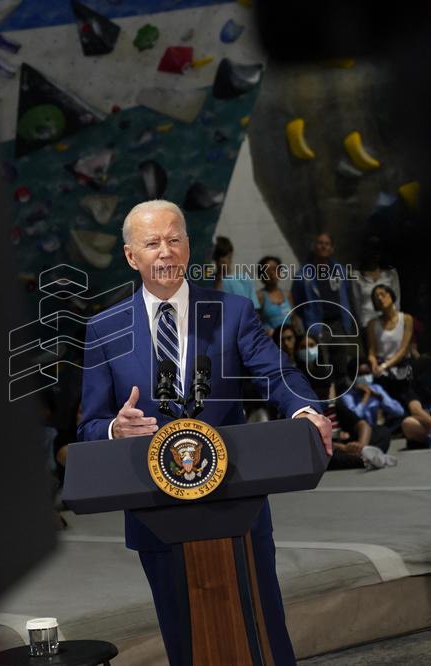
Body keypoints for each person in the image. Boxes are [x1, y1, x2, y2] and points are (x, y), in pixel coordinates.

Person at [78, 200, 332, 666]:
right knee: (186, 640)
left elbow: (277, 374)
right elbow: (89, 425)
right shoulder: (103, 329)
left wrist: (304, 412)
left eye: (175, 239)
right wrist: (116, 428)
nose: (166, 252)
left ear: (189, 247)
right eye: (152, 243)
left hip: (238, 505)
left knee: (263, 631)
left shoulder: (232, 312)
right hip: (155, 512)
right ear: (132, 256)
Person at [366, 284, 431, 447]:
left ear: (391, 295)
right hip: (381, 370)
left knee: (411, 399)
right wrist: (374, 363)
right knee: (374, 396)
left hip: (402, 368)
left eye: (382, 294)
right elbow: (372, 350)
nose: (380, 298)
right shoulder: (373, 324)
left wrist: (386, 365)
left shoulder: (406, 319)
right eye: (376, 297)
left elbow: (403, 349)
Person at [292, 232, 355, 391]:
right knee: (323, 366)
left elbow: (347, 294)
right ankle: (328, 401)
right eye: (320, 243)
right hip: (317, 326)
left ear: (331, 248)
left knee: (341, 364)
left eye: (327, 244)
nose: (323, 246)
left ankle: (343, 400)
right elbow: (297, 300)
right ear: (314, 247)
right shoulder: (303, 274)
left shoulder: (339, 270)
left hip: (339, 324)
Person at [351, 235, 403, 330]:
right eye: (371, 250)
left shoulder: (391, 274)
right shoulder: (357, 275)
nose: (374, 254)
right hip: (367, 324)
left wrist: (395, 321)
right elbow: (357, 304)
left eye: (377, 250)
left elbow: (396, 300)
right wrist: (362, 326)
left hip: (390, 323)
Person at [211, 235, 260, 310]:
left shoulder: (244, 280)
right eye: (218, 256)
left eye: (224, 255)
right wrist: (218, 280)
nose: (221, 259)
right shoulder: (208, 281)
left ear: (231, 254)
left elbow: (254, 309)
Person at [258, 255, 300, 337]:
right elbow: (253, 323)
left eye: (275, 269)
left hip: (289, 341)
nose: (272, 273)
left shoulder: (287, 294)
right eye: (267, 270)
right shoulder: (259, 296)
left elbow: (294, 319)